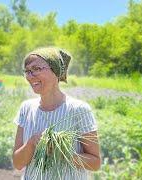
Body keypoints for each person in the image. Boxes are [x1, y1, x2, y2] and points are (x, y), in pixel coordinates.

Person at [12, 47, 101, 179]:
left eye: (36, 69)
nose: (30, 76)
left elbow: (95, 163)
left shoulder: (79, 110)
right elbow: (17, 163)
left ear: (55, 71)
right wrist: (32, 143)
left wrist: (61, 153)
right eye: (27, 71)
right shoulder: (26, 108)